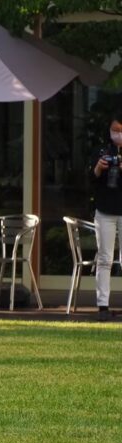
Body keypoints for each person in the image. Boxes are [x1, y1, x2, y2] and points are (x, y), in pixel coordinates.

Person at [91, 117, 122, 320]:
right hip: (105, 210)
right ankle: (103, 305)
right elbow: (90, 178)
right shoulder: (103, 151)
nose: (117, 134)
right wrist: (99, 168)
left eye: (120, 130)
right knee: (105, 258)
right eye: (114, 130)